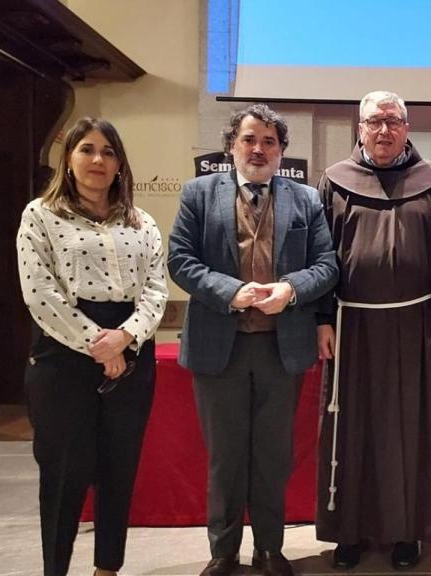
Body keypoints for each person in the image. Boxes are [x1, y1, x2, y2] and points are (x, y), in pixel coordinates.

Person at [168, 104, 338, 576]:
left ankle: (269, 548)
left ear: (282, 150)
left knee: (272, 455)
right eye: (249, 139)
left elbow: (327, 265)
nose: (258, 149)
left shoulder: (305, 199)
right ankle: (223, 551)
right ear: (231, 146)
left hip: (281, 350)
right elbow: (179, 260)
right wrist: (232, 292)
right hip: (217, 348)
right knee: (225, 456)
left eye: (269, 141)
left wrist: (290, 289)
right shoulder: (199, 194)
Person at [17, 117, 168, 576]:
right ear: (69, 158)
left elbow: (156, 290)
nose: (97, 160)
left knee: (118, 470)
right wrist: (98, 345)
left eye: (107, 151)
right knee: (64, 474)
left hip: (132, 350)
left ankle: (108, 569)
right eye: (87, 149)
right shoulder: (40, 215)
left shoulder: (142, 222)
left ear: (120, 163)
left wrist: (125, 337)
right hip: (63, 356)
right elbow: (40, 292)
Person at [314, 90, 431, 570]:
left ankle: (407, 532)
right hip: (350, 325)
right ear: (360, 127)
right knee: (352, 429)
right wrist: (319, 320)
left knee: (410, 428)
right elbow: (317, 257)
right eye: (374, 121)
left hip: (417, 323)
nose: (383, 130)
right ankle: (348, 533)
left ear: (407, 128)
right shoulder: (334, 181)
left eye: (393, 121)